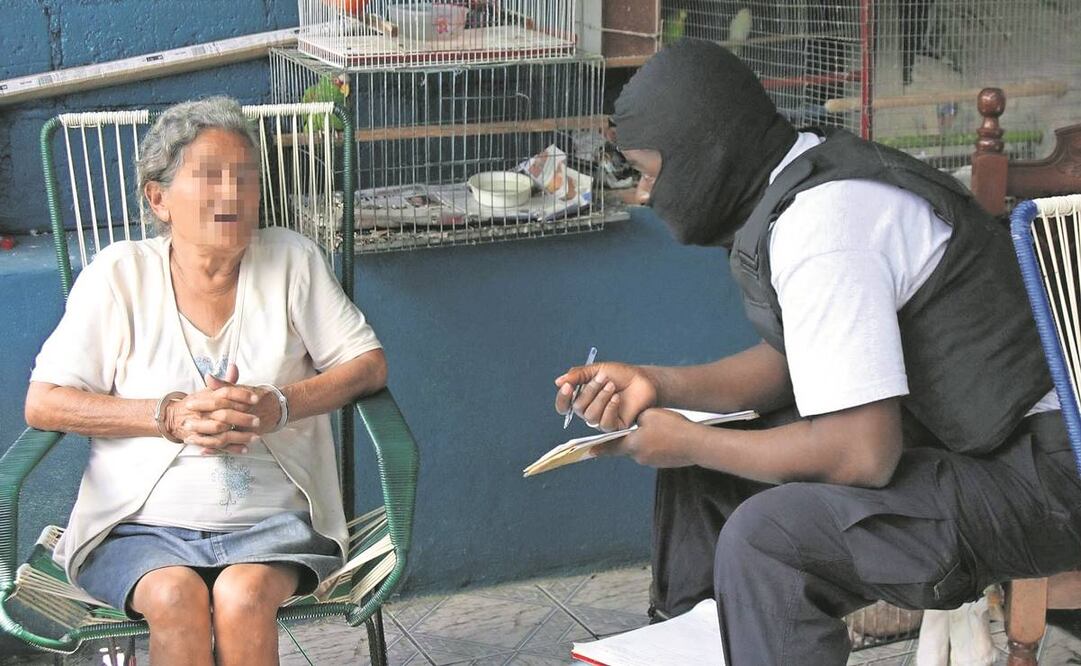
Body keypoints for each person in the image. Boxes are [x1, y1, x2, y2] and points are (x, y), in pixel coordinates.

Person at [554, 40, 1081, 664]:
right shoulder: (807, 176)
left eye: (649, 171)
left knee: (769, 540)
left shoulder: (823, 226)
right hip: (992, 448)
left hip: (1048, 477)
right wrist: (656, 385)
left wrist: (691, 439)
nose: (643, 192)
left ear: (706, 157)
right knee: (698, 476)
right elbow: (799, 363)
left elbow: (861, 454)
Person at [24, 96, 387, 666]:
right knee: (173, 596)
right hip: (137, 527)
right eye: (211, 177)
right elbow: (43, 402)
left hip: (276, 521)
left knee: (242, 598)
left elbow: (367, 364)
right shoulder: (119, 276)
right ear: (158, 198)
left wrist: (280, 405)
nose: (233, 195)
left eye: (245, 178)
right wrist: (167, 416)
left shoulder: (291, 261)